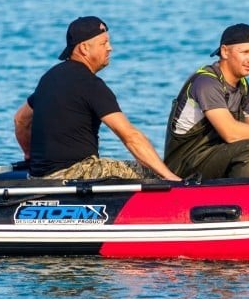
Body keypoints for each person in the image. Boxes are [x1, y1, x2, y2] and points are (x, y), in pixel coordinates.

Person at [13, 16, 180, 181]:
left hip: (38, 176)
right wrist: (169, 177)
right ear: (84, 48)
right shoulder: (90, 84)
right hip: (76, 174)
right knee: (153, 171)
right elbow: (130, 136)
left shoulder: (49, 77)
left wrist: (30, 156)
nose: (110, 48)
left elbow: (20, 119)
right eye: (103, 43)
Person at [164, 23, 249, 180]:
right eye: (245, 52)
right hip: (184, 165)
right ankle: (239, 194)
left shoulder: (241, 84)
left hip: (216, 153)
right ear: (225, 51)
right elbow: (231, 133)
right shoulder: (206, 83)